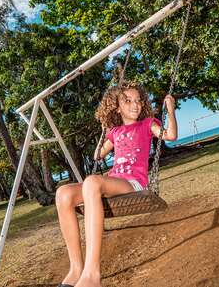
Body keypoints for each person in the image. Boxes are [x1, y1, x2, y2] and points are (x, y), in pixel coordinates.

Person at [55, 81, 178, 287]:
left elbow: (171, 135)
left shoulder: (147, 124)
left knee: (92, 182)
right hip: (113, 183)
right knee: (63, 193)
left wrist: (171, 110)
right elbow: (97, 155)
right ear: (117, 107)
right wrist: (104, 131)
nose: (135, 105)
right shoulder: (115, 131)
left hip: (133, 183)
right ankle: (76, 269)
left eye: (138, 100)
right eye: (127, 100)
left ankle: (92, 275)